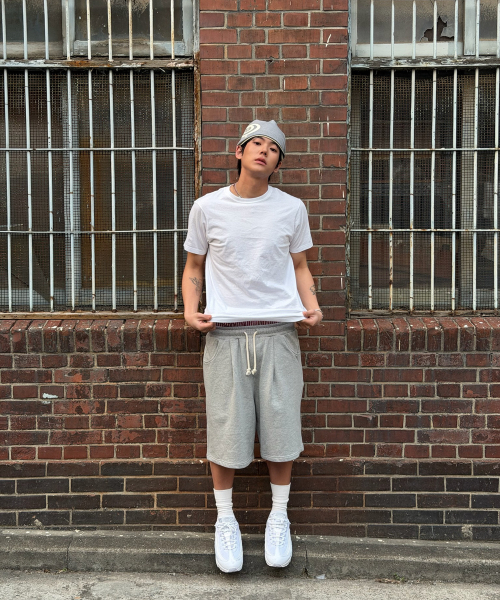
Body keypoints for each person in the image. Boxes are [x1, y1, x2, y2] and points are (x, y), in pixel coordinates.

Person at [181, 120, 322, 573]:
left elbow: (299, 265)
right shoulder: (207, 208)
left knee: (282, 431)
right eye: (256, 143)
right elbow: (194, 265)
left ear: (278, 162)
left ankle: (278, 517)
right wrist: (190, 311)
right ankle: (226, 521)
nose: (264, 151)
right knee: (226, 432)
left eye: (273, 148)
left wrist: (312, 305)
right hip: (225, 336)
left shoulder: (291, 209)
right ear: (239, 152)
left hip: (279, 334)